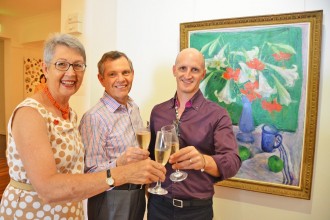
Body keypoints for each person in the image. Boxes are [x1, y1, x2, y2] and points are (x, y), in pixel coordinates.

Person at [0, 33, 166, 219]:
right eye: (61, 64)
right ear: (45, 69)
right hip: (33, 213)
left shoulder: (69, 114)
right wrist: (123, 172)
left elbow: (74, 171)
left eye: (77, 65)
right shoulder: (30, 113)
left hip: (69, 211)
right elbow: (48, 189)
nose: (71, 73)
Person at [147, 48, 241, 220]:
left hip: (196, 211)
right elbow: (151, 159)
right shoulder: (158, 112)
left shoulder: (218, 115)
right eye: (183, 68)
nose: (187, 75)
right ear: (174, 70)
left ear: (203, 74)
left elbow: (233, 161)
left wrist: (204, 161)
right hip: (158, 206)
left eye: (195, 70)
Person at [79, 51, 148, 220]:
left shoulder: (133, 107)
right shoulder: (94, 117)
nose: (121, 79)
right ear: (101, 79)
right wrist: (119, 162)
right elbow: (89, 172)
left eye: (125, 72)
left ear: (132, 74)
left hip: (138, 193)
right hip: (111, 198)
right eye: (112, 74)